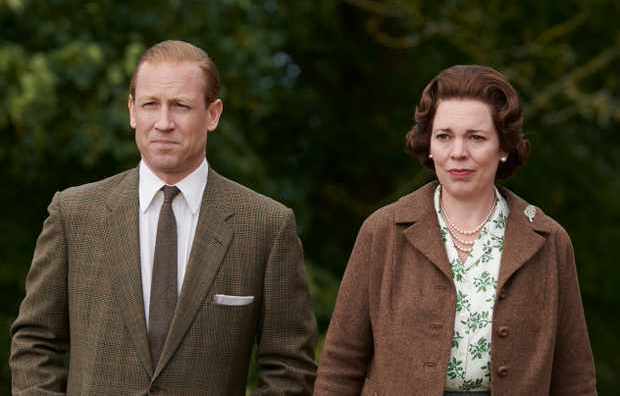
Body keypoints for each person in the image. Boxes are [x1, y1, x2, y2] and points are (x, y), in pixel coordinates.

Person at [10, 40, 317, 395]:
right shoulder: (74, 214)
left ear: (213, 114)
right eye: (150, 104)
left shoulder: (265, 226)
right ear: (132, 111)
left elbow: (290, 367)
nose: (163, 123)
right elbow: (35, 342)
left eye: (181, 106)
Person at [314, 65, 597, 395]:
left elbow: (575, 378)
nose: (458, 153)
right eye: (444, 136)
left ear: (503, 148)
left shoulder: (549, 241)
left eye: (476, 137)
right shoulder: (383, 232)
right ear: (429, 145)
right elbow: (340, 365)